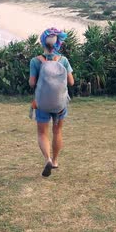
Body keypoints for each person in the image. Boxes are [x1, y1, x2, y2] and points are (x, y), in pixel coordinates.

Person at [29, 28, 74, 177]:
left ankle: (47, 158)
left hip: (41, 102)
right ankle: (55, 161)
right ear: (57, 43)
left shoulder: (36, 61)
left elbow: (31, 83)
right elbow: (71, 82)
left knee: (42, 133)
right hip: (59, 103)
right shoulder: (63, 60)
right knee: (57, 131)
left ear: (42, 41)